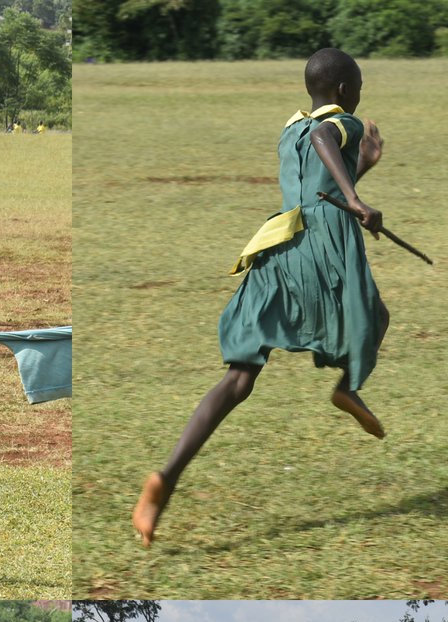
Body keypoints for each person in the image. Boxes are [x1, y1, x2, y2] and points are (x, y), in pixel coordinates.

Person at [132, 47, 389, 549]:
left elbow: (314, 178)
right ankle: (347, 386)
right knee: (372, 316)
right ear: (341, 91)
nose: (359, 94)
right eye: (357, 85)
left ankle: (164, 481)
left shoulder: (289, 129)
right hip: (321, 248)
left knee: (240, 376)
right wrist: (356, 198)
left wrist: (360, 170)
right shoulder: (339, 123)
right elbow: (325, 144)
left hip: (278, 247)